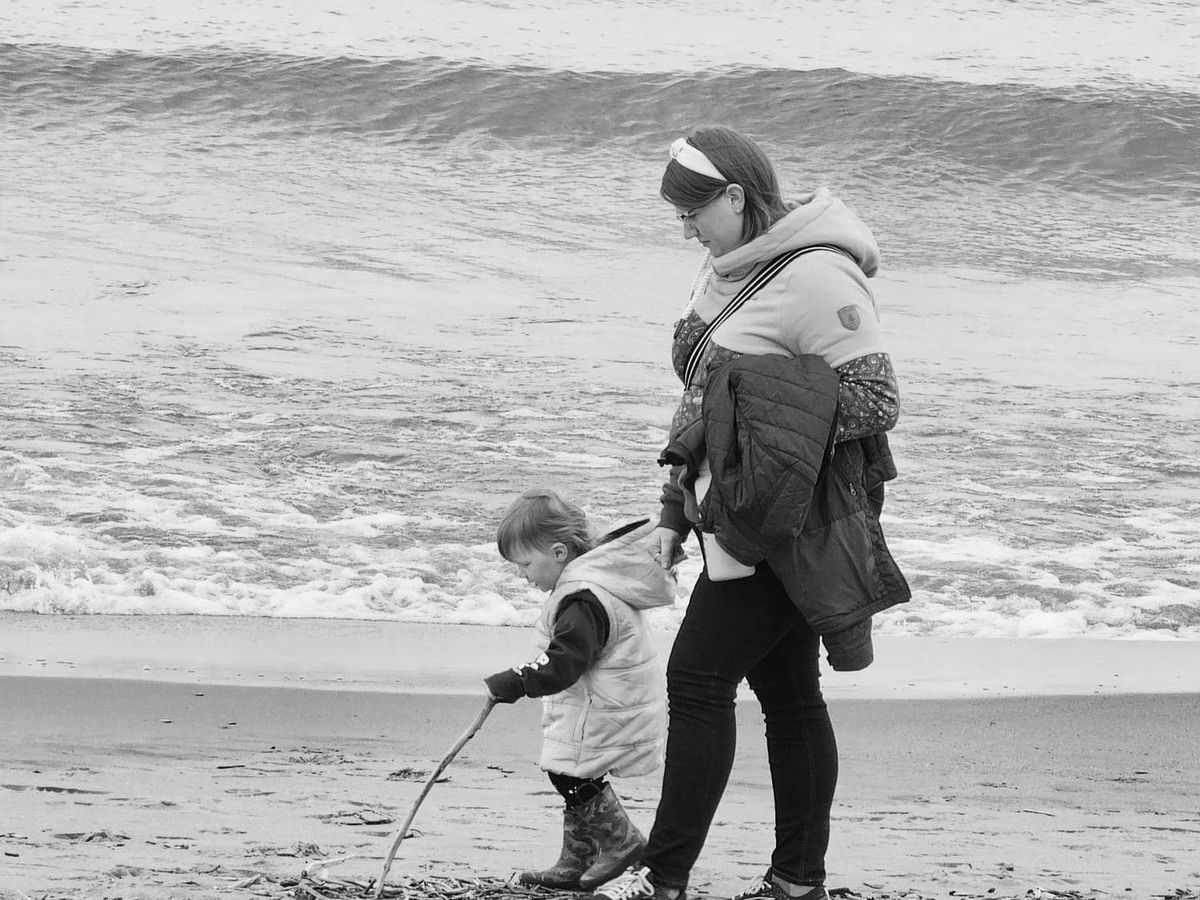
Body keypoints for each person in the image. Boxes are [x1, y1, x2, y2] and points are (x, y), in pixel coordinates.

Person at [587, 127, 911, 900]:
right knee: (790, 695)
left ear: (735, 196)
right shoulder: (728, 264)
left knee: (697, 678)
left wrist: (749, 442)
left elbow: (875, 400)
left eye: (693, 213)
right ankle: (797, 881)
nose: (686, 231)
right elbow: (702, 396)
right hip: (730, 516)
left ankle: (664, 878)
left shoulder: (818, 276)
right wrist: (674, 510)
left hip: (784, 523)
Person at [484, 488, 678, 890]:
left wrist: (518, 680)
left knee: (570, 774)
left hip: (608, 708)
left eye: (525, 564)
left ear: (558, 552)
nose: (522, 575)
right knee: (569, 771)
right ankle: (577, 859)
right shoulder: (587, 585)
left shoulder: (583, 599)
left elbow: (565, 662)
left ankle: (621, 841)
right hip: (609, 702)